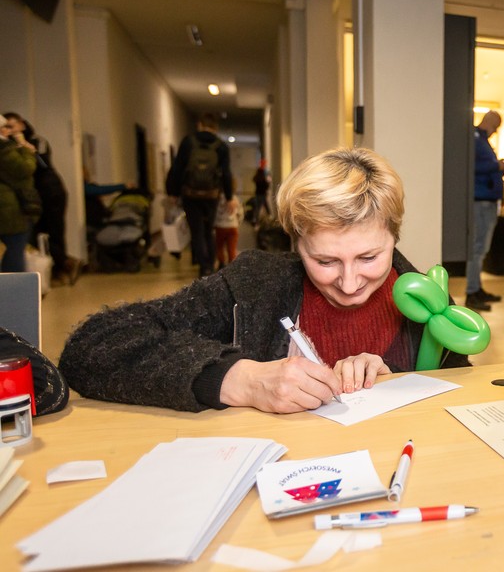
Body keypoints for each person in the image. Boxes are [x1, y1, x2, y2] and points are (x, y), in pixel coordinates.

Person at [59, 147, 470, 414]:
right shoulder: (256, 284)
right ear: (297, 242)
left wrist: (395, 374)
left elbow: (460, 387)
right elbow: (91, 349)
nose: (348, 283)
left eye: (369, 257)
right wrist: (239, 379)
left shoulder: (424, 296)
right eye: (325, 260)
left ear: (394, 236)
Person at [3, 113, 81, 285]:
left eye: (11, 126)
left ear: (22, 125)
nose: (8, 130)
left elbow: (42, 164)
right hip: (30, 197)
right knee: (35, 235)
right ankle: (61, 265)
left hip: (51, 192)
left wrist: (24, 146)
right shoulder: (8, 147)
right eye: (6, 126)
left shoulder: (38, 141)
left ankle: (63, 267)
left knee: (54, 231)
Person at [166, 113, 235, 277]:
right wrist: (229, 197)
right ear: (215, 128)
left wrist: (173, 192)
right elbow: (226, 173)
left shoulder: (188, 142)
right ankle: (211, 264)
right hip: (211, 195)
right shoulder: (221, 146)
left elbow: (177, 168)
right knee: (208, 229)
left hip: (190, 194)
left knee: (196, 230)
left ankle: (204, 266)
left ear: (199, 124)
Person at [465, 110, 504, 312]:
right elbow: (472, 165)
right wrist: (497, 165)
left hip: (487, 201)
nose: (496, 130)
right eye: (496, 125)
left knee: (481, 249)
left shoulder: (481, 140)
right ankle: (472, 291)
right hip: (481, 201)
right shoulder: (474, 139)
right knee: (477, 248)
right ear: (489, 122)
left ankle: (477, 288)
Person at [0, 113, 38, 273]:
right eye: (6, 127)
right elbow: (25, 169)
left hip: (6, 205)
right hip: (11, 206)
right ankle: (13, 293)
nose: (10, 131)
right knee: (16, 248)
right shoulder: (5, 149)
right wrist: (25, 149)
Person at [214, 187, 243, 270]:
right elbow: (240, 213)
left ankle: (222, 263)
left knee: (219, 246)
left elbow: (214, 213)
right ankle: (232, 265)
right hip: (233, 226)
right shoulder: (234, 198)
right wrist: (237, 223)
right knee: (232, 248)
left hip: (220, 226)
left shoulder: (217, 199)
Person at [252, 159, 272, 225]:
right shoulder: (264, 176)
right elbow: (266, 186)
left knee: (258, 207)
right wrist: (268, 183)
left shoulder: (257, 176)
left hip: (258, 193)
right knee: (264, 206)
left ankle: (255, 220)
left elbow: (254, 180)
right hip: (263, 194)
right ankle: (270, 217)